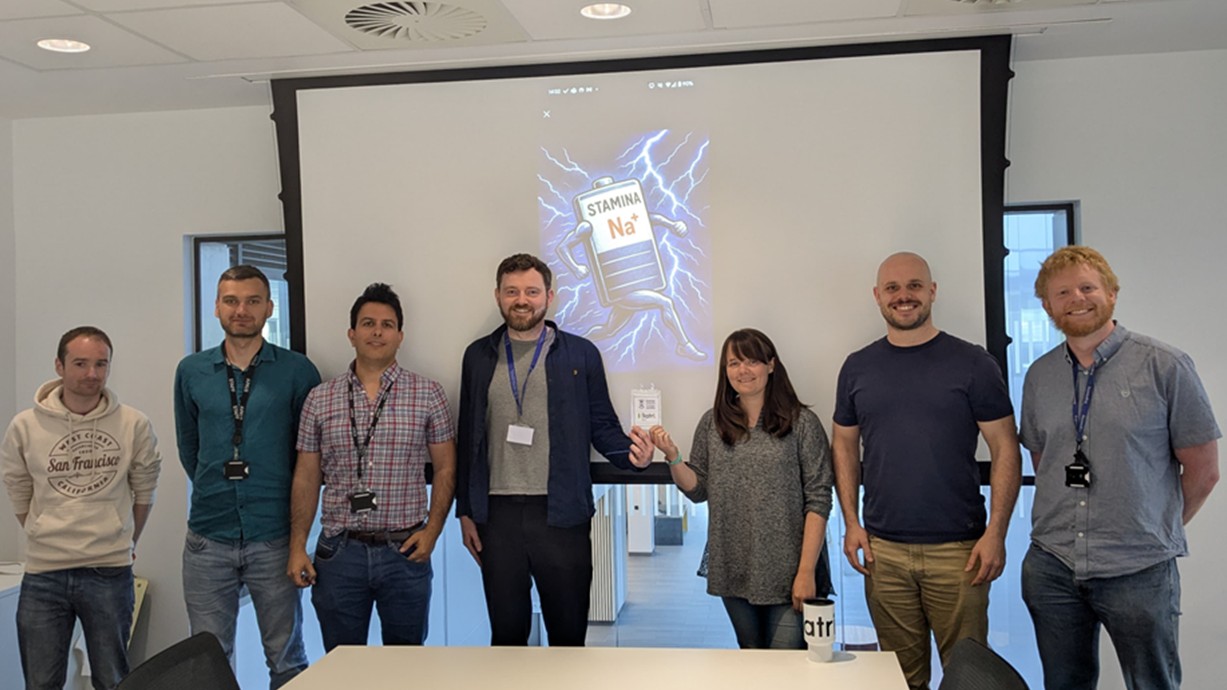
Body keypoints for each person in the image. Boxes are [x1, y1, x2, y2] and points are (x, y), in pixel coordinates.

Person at [1020, 246, 1220, 690]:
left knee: (1152, 683)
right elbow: (1044, 461)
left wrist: (1153, 528)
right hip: (1053, 566)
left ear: (1111, 293)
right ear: (1048, 305)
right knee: (1064, 683)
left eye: (1088, 287)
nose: (1077, 298)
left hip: (1140, 569)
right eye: (1062, 292)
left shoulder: (1165, 365)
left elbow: (1204, 470)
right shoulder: (1039, 376)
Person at [832, 251, 1021, 690]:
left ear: (932, 292)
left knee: (967, 678)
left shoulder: (973, 363)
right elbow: (843, 442)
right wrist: (852, 523)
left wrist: (997, 533)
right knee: (901, 680)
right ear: (877, 297)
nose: (904, 296)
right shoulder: (857, 367)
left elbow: (1005, 447)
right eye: (893, 289)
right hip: (884, 552)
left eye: (914, 286)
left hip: (960, 553)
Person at [455, 253, 655, 646]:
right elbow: (469, 438)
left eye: (531, 291)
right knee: (508, 636)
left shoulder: (580, 354)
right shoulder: (478, 356)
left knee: (567, 638)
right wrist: (466, 511)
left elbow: (602, 425)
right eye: (512, 291)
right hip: (497, 517)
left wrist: (635, 457)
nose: (521, 300)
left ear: (549, 296)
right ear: (498, 296)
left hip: (562, 514)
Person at [173, 265, 320, 688]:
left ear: (269, 308)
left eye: (253, 301)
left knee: (288, 660)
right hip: (207, 538)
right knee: (208, 662)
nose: (242, 310)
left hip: (273, 538)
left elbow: (308, 457)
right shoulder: (191, 371)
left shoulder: (297, 371)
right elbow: (190, 449)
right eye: (232, 301)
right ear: (217, 307)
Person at [288, 282, 457, 649]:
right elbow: (306, 475)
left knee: (406, 662)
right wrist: (298, 545)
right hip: (339, 553)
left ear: (400, 335)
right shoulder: (320, 399)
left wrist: (433, 532)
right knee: (342, 664)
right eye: (367, 323)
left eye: (386, 324)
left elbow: (446, 468)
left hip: (405, 551)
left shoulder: (428, 393)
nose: (377, 331)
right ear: (352, 334)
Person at [649, 328, 833, 649]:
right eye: (734, 363)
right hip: (734, 565)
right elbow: (698, 488)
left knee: (786, 668)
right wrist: (673, 457)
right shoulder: (713, 423)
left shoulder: (802, 423)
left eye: (752, 361)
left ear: (771, 365)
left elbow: (819, 500)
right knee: (750, 658)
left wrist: (806, 572)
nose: (743, 371)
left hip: (790, 570)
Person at [1, 326, 161, 690]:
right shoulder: (25, 426)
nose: (92, 374)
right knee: (41, 683)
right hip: (44, 574)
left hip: (109, 571)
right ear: (59, 365)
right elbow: (18, 489)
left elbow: (144, 491)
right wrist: (43, 530)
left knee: (113, 679)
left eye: (101, 364)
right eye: (80, 363)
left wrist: (125, 539)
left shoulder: (133, 424)